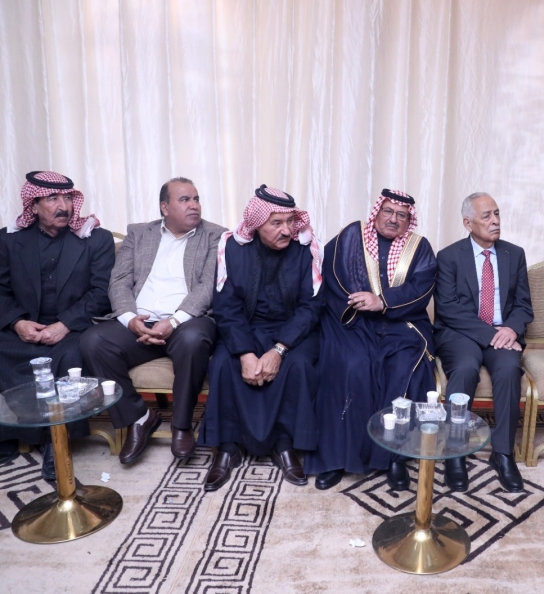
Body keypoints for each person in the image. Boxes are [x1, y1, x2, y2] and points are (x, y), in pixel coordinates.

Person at [80, 178, 226, 465]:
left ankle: (181, 425)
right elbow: (119, 281)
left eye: (196, 199)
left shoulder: (216, 236)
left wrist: (173, 321)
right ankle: (139, 417)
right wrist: (130, 319)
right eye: (184, 199)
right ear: (164, 207)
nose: (194, 205)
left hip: (187, 320)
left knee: (194, 339)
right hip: (141, 320)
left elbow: (207, 287)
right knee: (93, 341)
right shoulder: (139, 233)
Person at [306, 189, 437, 491]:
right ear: (376, 212)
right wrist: (360, 303)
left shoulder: (419, 247)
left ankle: (395, 456)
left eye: (401, 215)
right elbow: (331, 277)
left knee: (404, 367)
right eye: (388, 212)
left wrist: (383, 301)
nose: (393, 219)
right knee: (351, 365)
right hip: (353, 321)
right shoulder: (351, 237)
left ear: (409, 220)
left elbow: (421, 287)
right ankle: (336, 457)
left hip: (402, 323)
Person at [197, 185, 323, 491]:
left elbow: (311, 307)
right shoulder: (233, 247)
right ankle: (228, 448)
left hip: (294, 332)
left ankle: (285, 445)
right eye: (276, 223)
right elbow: (226, 306)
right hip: (246, 328)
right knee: (223, 364)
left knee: (298, 366)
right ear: (256, 224)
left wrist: (278, 350)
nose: (287, 230)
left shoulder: (305, 249)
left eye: (290, 221)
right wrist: (245, 353)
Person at [0, 171, 114, 479]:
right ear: (34, 205)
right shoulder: (9, 240)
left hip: (74, 327)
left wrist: (64, 325)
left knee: (71, 356)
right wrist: (17, 322)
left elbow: (101, 293)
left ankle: (56, 443)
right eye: (53, 199)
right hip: (25, 327)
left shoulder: (96, 239)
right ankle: (6, 435)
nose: (63, 206)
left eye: (67, 198)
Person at [434, 193, 533, 493]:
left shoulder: (514, 254)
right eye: (487, 216)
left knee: (509, 370)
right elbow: (448, 308)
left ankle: (502, 453)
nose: (495, 221)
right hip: (460, 333)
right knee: (465, 369)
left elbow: (524, 305)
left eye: (497, 214)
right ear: (468, 223)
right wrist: (493, 335)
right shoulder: (449, 256)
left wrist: (511, 330)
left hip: (503, 333)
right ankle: (455, 451)